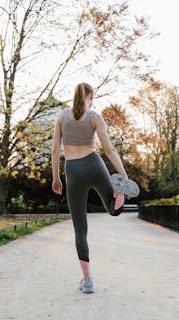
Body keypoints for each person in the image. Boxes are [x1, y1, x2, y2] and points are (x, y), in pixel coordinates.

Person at [51, 82, 130, 294]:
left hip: (73, 171)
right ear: (91, 96)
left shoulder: (61, 116)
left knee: (80, 229)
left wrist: (55, 178)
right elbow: (109, 148)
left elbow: (55, 149)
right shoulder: (95, 117)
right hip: (95, 164)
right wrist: (123, 175)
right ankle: (119, 192)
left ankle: (87, 281)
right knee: (113, 209)